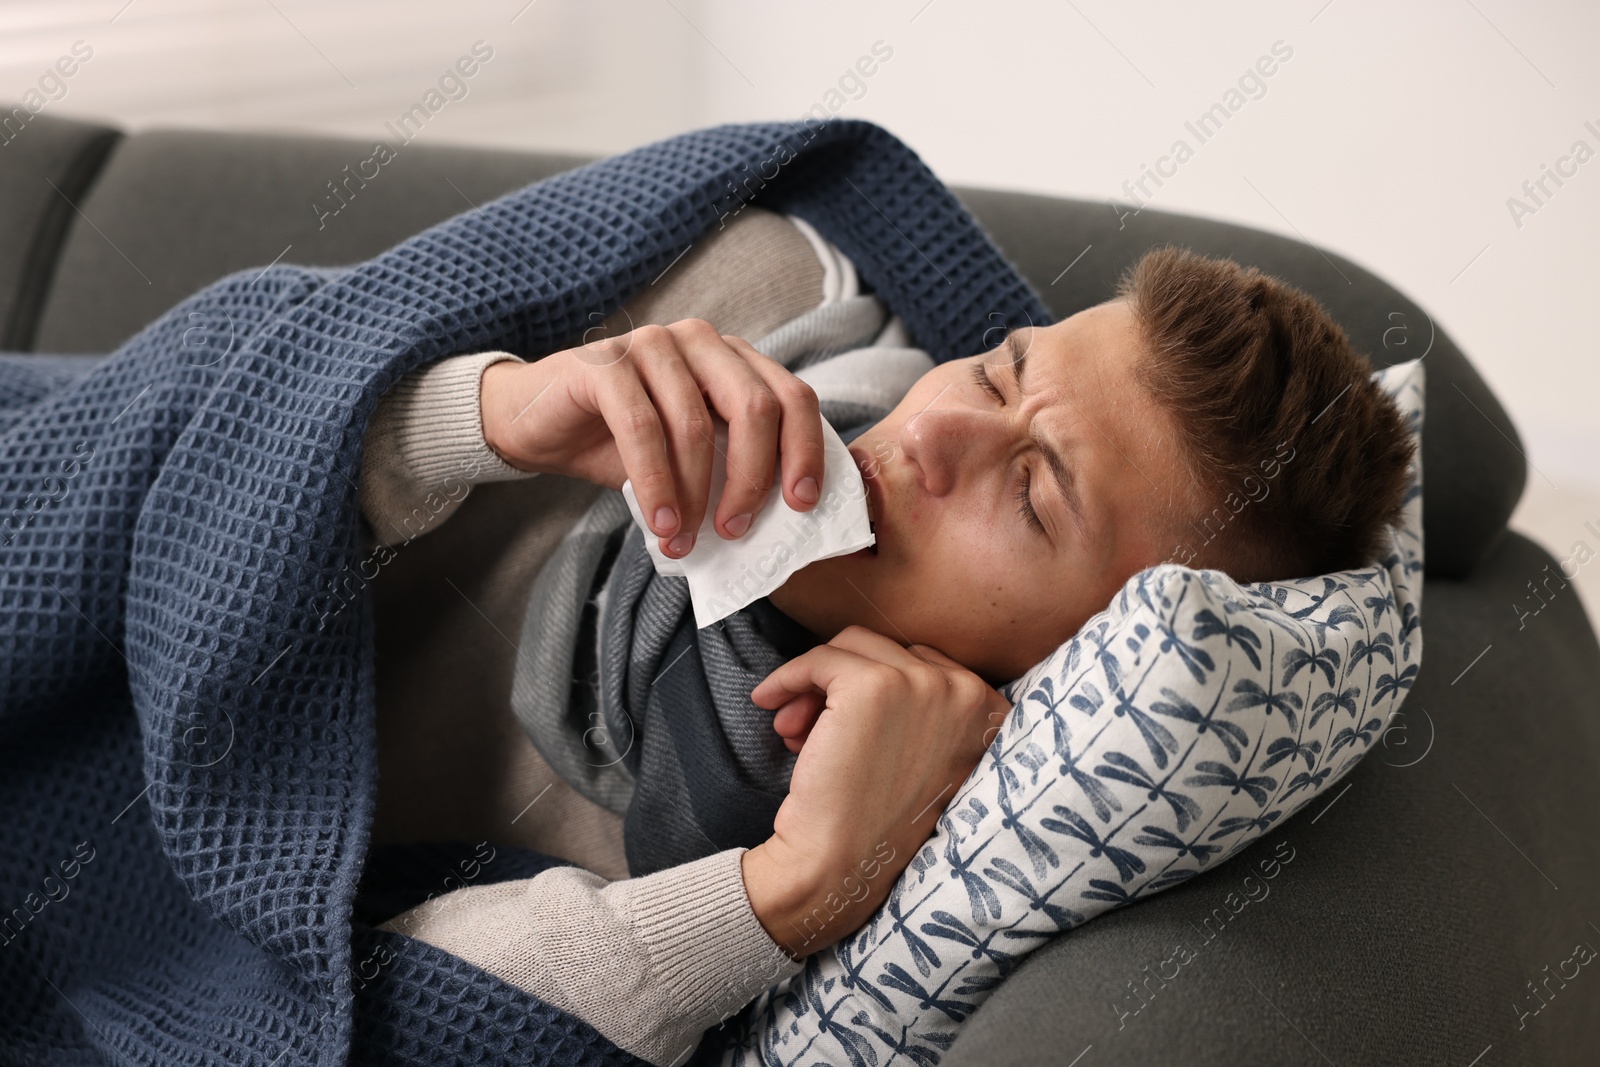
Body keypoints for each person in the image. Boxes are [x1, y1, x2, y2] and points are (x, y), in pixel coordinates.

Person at [360, 208, 1413, 1066]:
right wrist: (481, 415)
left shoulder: (764, 862)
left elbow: (329, 1018)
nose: (930, 430)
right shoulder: (752, 292)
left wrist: (782, 893)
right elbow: (224, 402)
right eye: (997, 371)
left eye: (1033, 497)